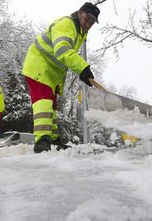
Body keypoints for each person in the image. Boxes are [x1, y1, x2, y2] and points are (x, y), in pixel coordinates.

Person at [22, 2, 100, 153]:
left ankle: (52, 139)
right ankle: (41, 141)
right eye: (87, 18)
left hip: (50, 73)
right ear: (79, 13)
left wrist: (81, 69)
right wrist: (83, 68)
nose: (89, 23)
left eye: (92, 22)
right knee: (44, 102)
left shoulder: (79, 32)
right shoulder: (66, 24)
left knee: (51, 108)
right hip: (38, 65)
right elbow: (62, 50)